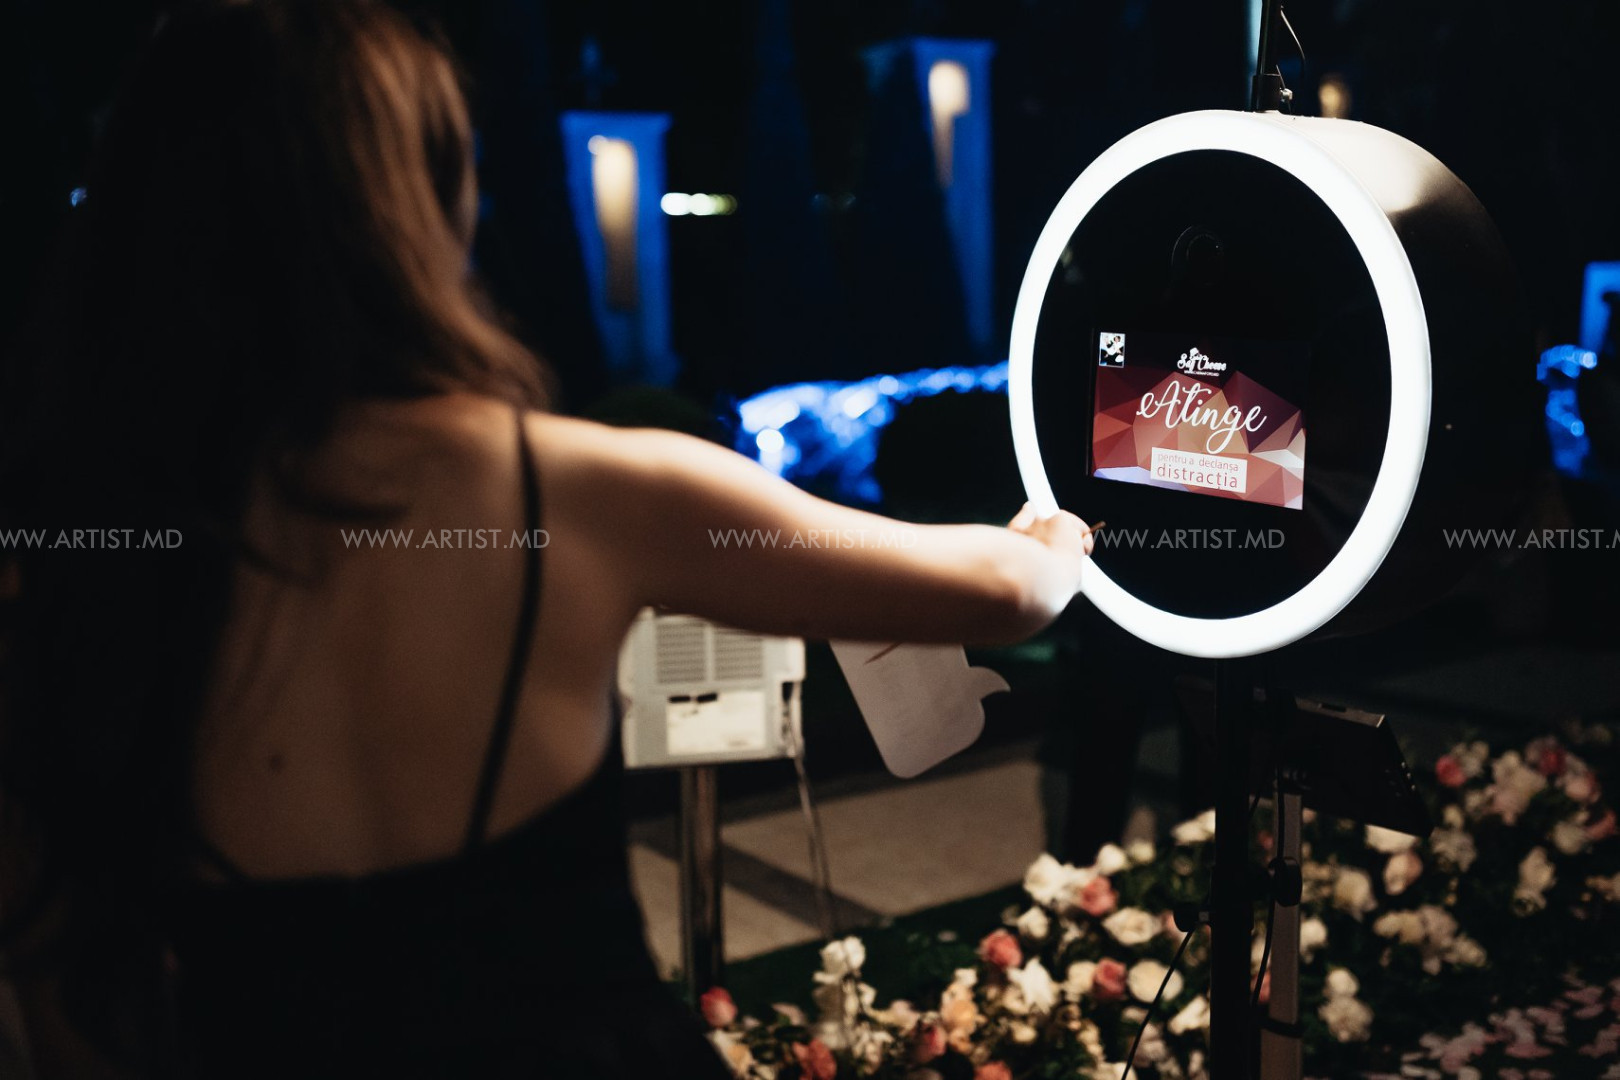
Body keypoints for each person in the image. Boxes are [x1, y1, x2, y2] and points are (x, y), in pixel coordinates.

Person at [0, 2, 1094, 1076]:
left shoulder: (69, 565)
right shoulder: (581, 489)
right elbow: (1003, 592)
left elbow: (66, 1009)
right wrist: (1052, 541)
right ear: (424, 203)